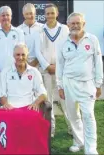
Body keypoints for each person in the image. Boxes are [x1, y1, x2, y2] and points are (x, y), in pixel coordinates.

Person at [56, 12, 103, 154]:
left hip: (87, 84)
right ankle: (78, 141)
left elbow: (98, 62)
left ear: (84, 24)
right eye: (72, 23)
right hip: (69, 83)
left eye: (78, 23)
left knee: (88, 115)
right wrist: (60, 86)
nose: (75, 26)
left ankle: (91, 148)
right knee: (73, 115)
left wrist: (98, 83)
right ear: (68, 25)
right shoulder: (62, 43)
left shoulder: (92, 40)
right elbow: (60, 65)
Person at [36, 3, 70, 137]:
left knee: (65, 100)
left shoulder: (64, 29)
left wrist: (59, 67)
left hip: (61, 70)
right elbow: (37, 51)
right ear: (44, 15)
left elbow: (68, 49)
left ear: (57, 14)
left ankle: (71, 129)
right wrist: (47, 66)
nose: (50, 16)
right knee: (48, 101)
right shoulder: (40, 30)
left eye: (52, 13)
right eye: (47, 13)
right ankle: (51, 130)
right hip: (47, 70)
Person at [0, 43, 47, 110]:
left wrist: (36, 103)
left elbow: (43, 93)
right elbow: (2, 93)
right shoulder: (5, 72)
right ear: (13, 55)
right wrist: (5, 103)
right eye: (18, 55)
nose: (20, 57)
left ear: (27, 55)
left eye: (23, 55)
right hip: (10, 108)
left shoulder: (34, 72)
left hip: (29, 107)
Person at [0, 6, 24, 71]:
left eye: (7, 15)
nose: (5, 17)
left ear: (11, 17)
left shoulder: (19, 32)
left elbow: (22, 53)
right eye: (3, 15)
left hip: (15, 71)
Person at [17, 3, 43, 67]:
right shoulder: (18, 30)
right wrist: (25, 63)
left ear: (35, 13)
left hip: (40, 65)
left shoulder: (42, 28)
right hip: (23, 65)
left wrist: (35, 62)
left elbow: (45, 48)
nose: (29, 16)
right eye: (27, 14)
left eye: (31, 13)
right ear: (23, 15)